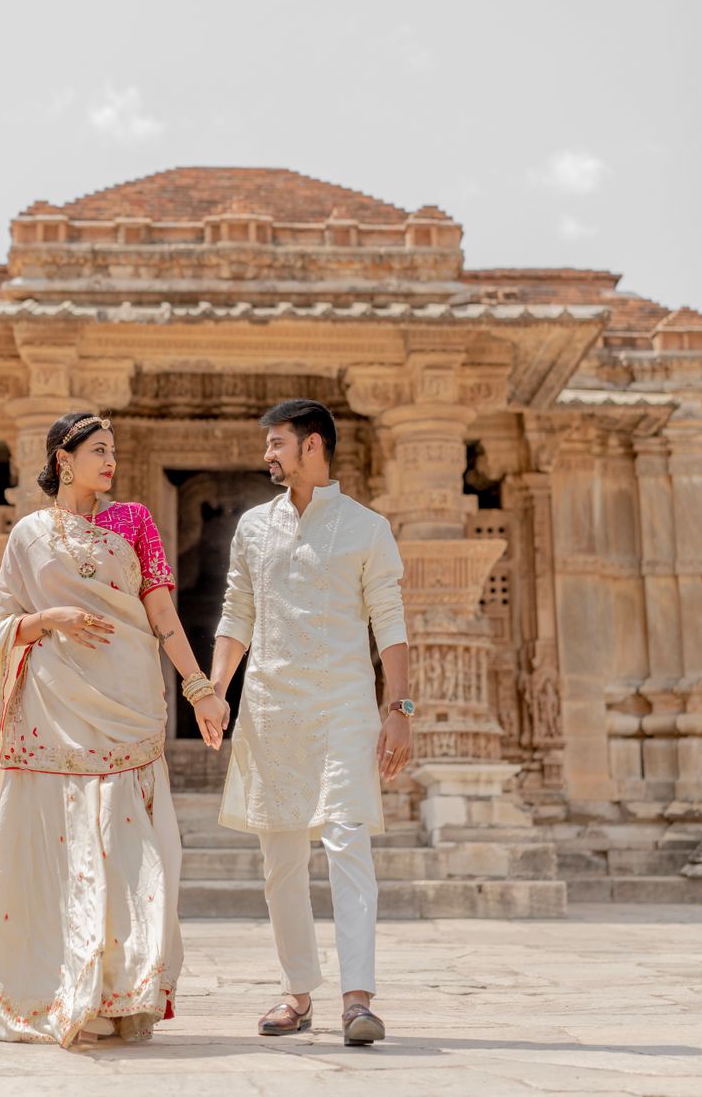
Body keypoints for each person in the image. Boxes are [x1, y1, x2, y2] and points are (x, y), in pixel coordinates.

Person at [0, 411, 226, 1048]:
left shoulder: (134, 520)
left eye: (113, 450)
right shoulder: (27, 534)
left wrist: (199, 687)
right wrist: (48, 615)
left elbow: (160, 608)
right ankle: (49, 990)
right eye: (98, 450)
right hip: (52, 710)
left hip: (127, 702)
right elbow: (2, 626)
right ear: (63, 457)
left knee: (138, 850)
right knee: (52, 843)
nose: (110, 461)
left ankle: (118, 989)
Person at [210, 399, 414, 1047]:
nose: (268, 455)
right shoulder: (251, 528)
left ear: (314, 447)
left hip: (344, 708)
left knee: (348, 841)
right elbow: (236, 613)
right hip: (270, 710)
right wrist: (214, 690)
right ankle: (297, 992)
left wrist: (400, 711)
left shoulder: (366, 528)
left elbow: (392, 624)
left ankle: (358, 1000)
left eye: (277, 444)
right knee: (280, 858)